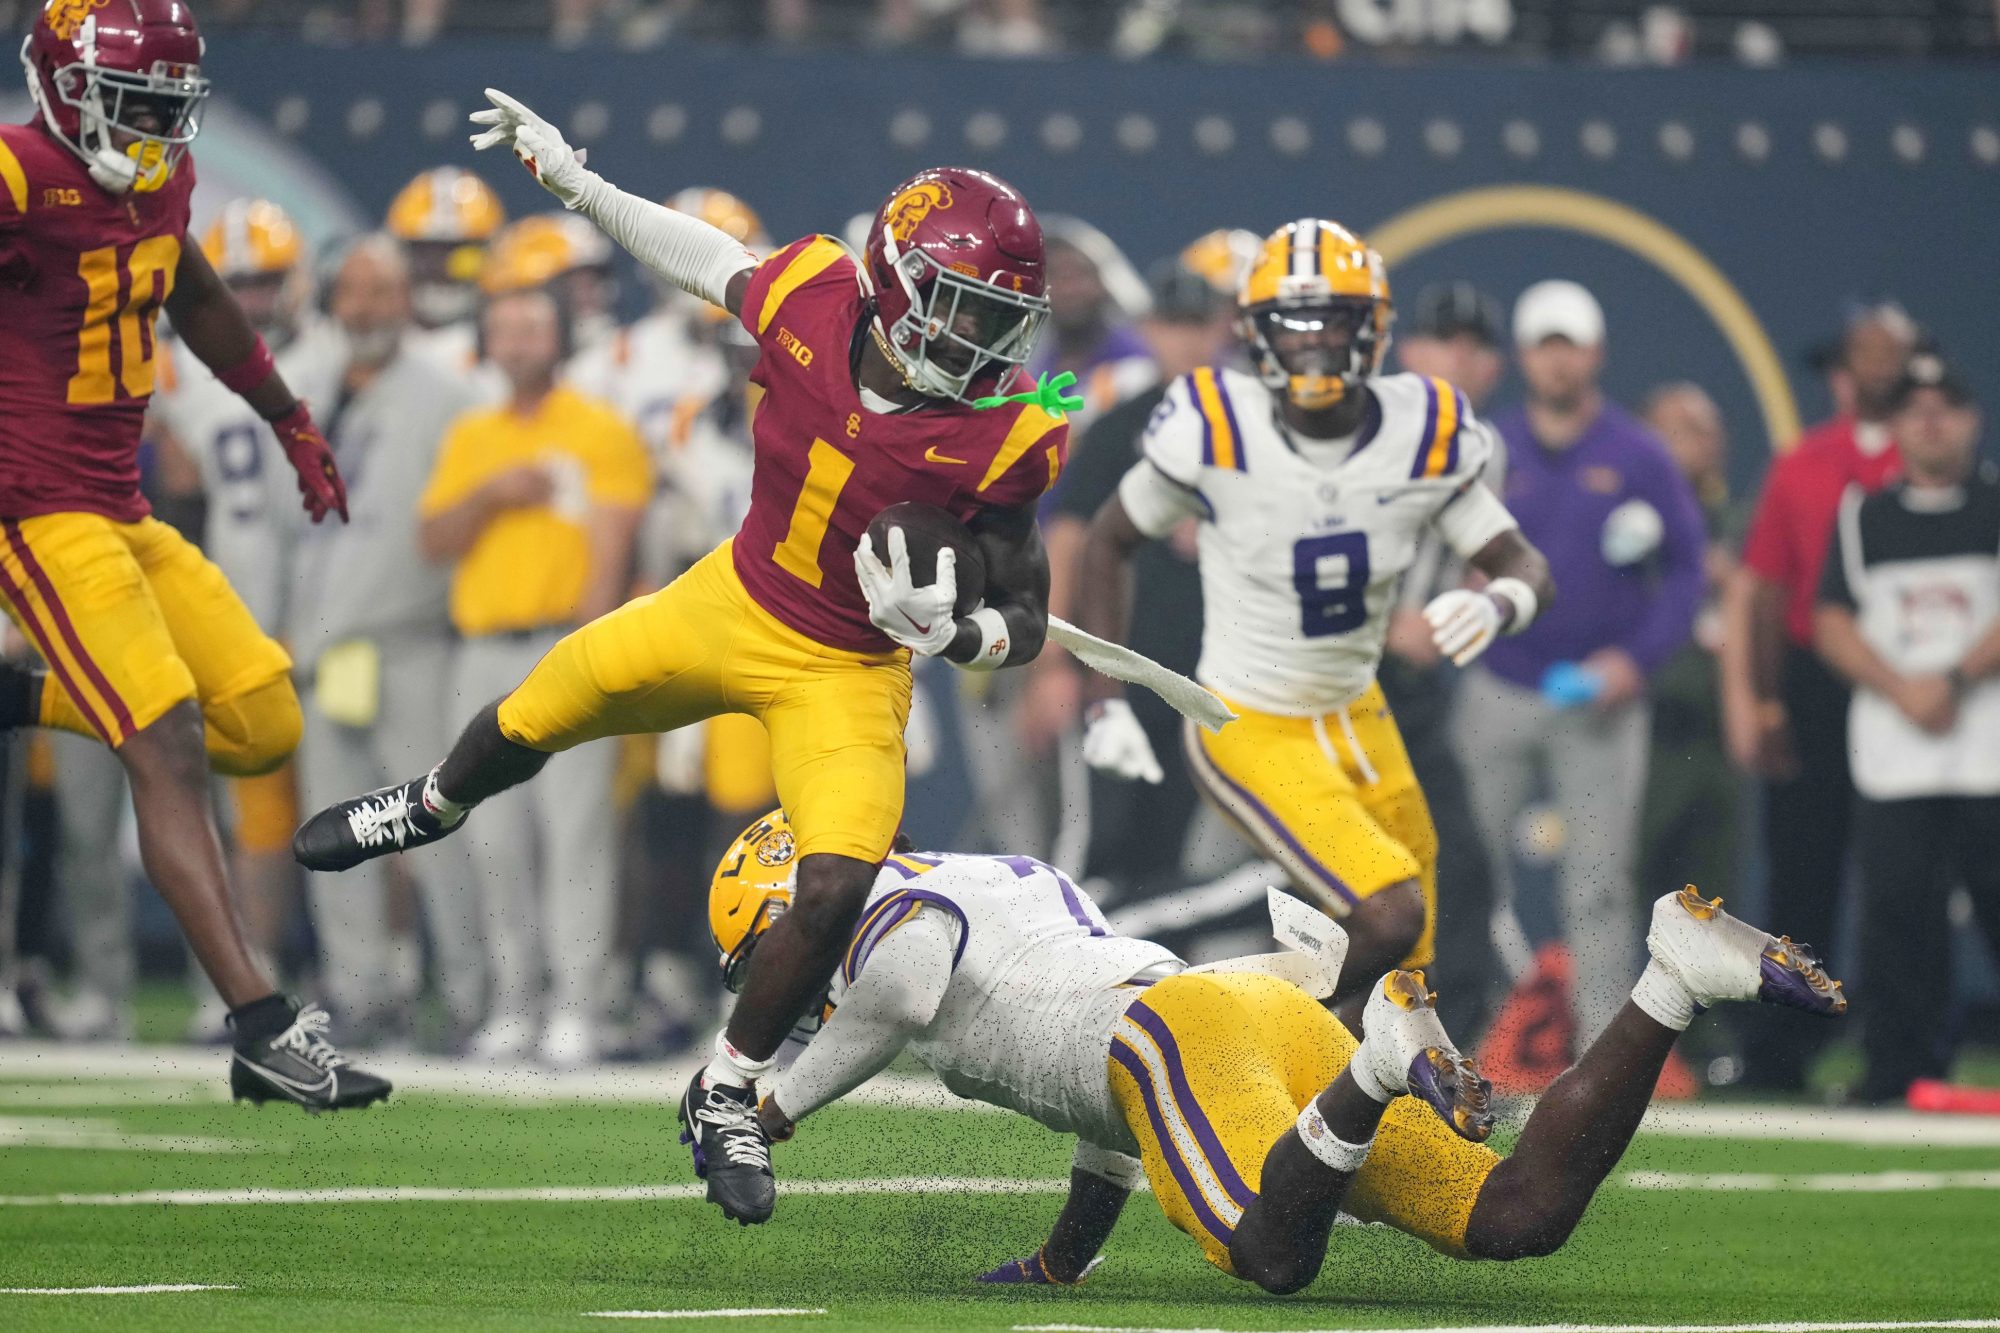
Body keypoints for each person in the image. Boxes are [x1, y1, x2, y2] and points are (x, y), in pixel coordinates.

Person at [293, 92, 1068, 1222]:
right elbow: (701, 254)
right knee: (543, 705)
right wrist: (578, 186)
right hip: (730, 598)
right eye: (961, 308)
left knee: (841, 879)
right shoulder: (810, 294)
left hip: (846, 668)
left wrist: (955, 635)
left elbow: (1027, 612)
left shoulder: (1013, 430)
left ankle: (727, 1083)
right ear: (896, 282)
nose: (984, 341)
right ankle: (432, 802)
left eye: (1003, 317)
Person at [718, 809, 1846, 1290]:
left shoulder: (890, 920)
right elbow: (1098, 1110)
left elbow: (903, 989)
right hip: (1236, 1020)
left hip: (1173, 1035)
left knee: (1273, 1253)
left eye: (765, 959)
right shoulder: (990, 883)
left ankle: (1375, 1059)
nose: (778, 987)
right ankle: (1669, 977)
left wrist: (764, 1107)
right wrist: (1063, 1257)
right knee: (1515, 1216)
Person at [0, 0, 384, 1110]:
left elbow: (198, 294)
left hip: (123, 508)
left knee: (263, 722)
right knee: (163, 742)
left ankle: (26, 700)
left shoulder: (156, 187)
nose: (157, 132)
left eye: (170, 109)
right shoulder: (22, 175)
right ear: (66, 93)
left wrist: (286, 415)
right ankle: (262, 1026)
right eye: (135, 105)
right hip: (36, 515)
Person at [1074, 219, 1555, 1023]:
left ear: (1371, 330)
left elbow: (1521, 562)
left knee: (1419, 944)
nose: (1312, 345)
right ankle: (1209, 1027)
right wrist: (1104, 696)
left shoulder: (1420, 428)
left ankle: (1347, 1107)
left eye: (1331, 321)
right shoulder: (1214, 420)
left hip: (1359, 711)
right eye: (1291, 324)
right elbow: (1106, 539)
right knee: (1387, 912)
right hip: (1248, 716)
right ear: (1255, 333)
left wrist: (1497, 600)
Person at [1455, 280, 1705, 1050]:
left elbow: (1690, 568)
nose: (1559, 363)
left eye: (1572, 346)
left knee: (1600, 884)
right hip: (1500, 684)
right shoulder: (1490, 450)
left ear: (1595, 354)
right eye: (1544, 346)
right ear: (1524, 357)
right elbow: (1448, 548)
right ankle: (1452, 1046)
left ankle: (1601, 1061)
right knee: (1466, 876)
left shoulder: (1638, 454)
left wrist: (1636, 660)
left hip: (1600, 699)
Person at [417, 286, 649, 1065]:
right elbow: (433, 538)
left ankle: (576, 1004)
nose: (516, 342)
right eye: (504, 327)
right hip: (481, 650)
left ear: (561, 337)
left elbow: (611, 551)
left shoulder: (600, 431)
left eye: (532, 326)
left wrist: (584, 656)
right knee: (493, 836)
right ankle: (513, 1002)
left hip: (567, 645)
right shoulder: (471, 434)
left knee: (573, 830)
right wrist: (492, 494)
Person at [285, 234, 489, 1050]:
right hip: (322, 648)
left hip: (411, 641)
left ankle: (471, 995)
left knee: (437, 827)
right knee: (333, 831)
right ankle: (361, 991)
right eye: (354, 292)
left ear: (406, 301)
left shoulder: (450, 395)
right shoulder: (305, 388)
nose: (366, 307)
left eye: (382, 291)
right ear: (332, 299)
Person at [1721, 303, 1915, 1092]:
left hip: (1912, 678)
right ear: (1839, 372)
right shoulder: (1802, 463)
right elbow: (1764, 587)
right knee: (1803, 873)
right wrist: (1764, 698)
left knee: (1904, 872)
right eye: (1858, 352)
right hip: (1814, 682)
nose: (1871, 367)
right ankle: (1784, 1053)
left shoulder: (1926, 459)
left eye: (1887, 353)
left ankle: (1897, 1053)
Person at [1814, 355, 2000, 1103]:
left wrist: (1952, 679)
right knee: (1894, 918)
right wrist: (1901, 686)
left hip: (1987, 750)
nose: (1930, 418)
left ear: (1973, 418)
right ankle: (1897, 1068)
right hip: (1896, 755)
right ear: (1892, 426)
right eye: (1913, 406)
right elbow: (1831, 618)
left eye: (1945, 403)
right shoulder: (1864, 514)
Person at [1048, 254, 1235, 887]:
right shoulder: (1120, 427)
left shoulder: (1250, 431)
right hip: (1118, 680)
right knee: (1097, 854)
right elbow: (1068, 536)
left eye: (1199, 325)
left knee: (1178, 867)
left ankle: (1160, 990)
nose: (1186, 341)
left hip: (1213, 687)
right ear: (1151, 331)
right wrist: (1051, 665)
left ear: (1222, 331)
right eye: (1173, 324)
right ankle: (1073, 987)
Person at [1380, 281, 1508, 1036]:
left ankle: (1447, 1043)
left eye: (1474, 345)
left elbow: (1481, 564)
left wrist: (1472, 604)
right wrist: (1381, 616)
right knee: (1285, 863)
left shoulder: (1484, 451)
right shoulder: (1365, 429)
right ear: (1410, 350)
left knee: (1457, 862)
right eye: (1443, 341)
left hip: (1412, 688)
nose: (1458, 359)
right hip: (1328, 670)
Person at [1639, 383, 1746, 916]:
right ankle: (1625, 1003)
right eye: (1680, 430)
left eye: (1708, 429)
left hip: (1716, 734)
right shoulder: (1626, 529)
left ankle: (1717, 1006)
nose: (1699, 442)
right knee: (1635, 884)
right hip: (1643, 734)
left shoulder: (1736, 529)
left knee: (1712, 897)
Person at [385, 165, 507, 371]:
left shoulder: (511, 345)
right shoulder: (373, 339)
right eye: (426, 254)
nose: (439, 269)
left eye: (458, 254)